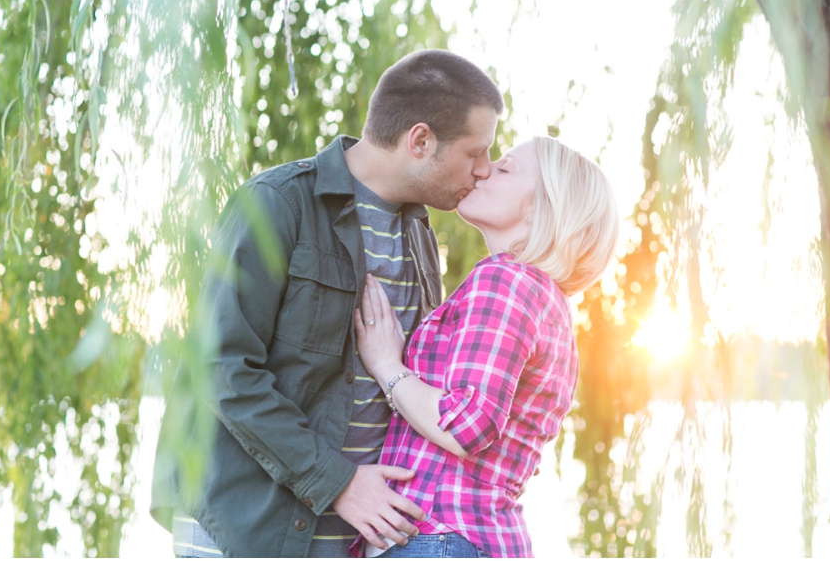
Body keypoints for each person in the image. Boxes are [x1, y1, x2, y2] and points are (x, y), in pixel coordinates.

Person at [149, 49, 504, 558]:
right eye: (476, 153)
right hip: (246, 526)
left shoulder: (422, 236)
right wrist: (339, 482)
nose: (486, 170)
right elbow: (220, 366)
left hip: (349, 537)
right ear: (420, 140)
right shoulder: (277, 202)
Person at [351, 136, 620, 558]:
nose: (484, 169)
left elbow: (468, 425)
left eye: (506, 168)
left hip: (437, 538)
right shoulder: (549, 305)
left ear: (540, 210)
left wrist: (387, 365)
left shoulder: (505, 281)